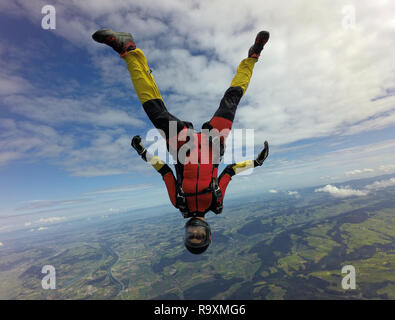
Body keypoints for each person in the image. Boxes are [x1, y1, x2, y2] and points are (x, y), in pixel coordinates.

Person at [92, 28, 270, 254]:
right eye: (200, 237)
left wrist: (142, 152)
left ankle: (129, 50)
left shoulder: (179, 202)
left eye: (191, 237)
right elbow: (230, 172)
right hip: (212, 145)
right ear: (208, 233)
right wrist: (256, 163)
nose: (195, 232)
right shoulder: (216, 204)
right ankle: (252, 58)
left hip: (182, 146)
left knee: (154, 109)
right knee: (232, 98)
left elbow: (165, 170)